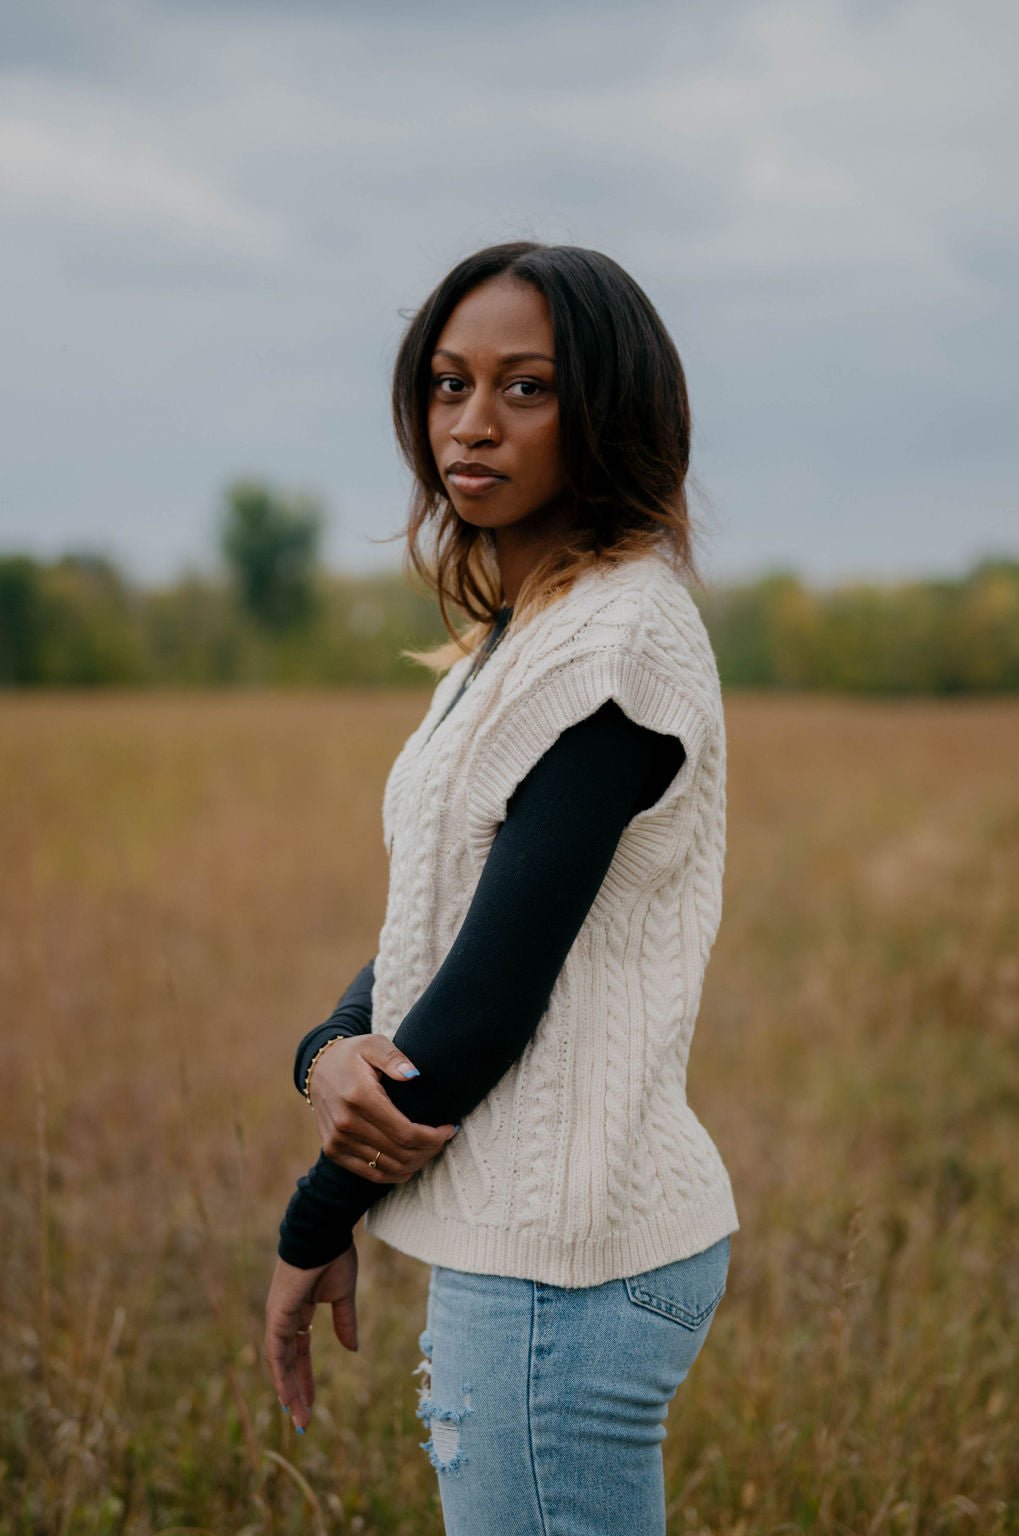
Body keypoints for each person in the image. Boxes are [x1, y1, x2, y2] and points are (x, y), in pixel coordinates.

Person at [264, 241, 738, 1535]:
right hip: (553, 1255)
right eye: (447, 383)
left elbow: (482, 1001)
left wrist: (314, 1225)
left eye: (525, 388)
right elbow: (441, 917)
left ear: (609, 409)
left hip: (566, 1275)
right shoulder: (525, 635)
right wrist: (322, 1053)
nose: (470, 425)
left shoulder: (615, 644)